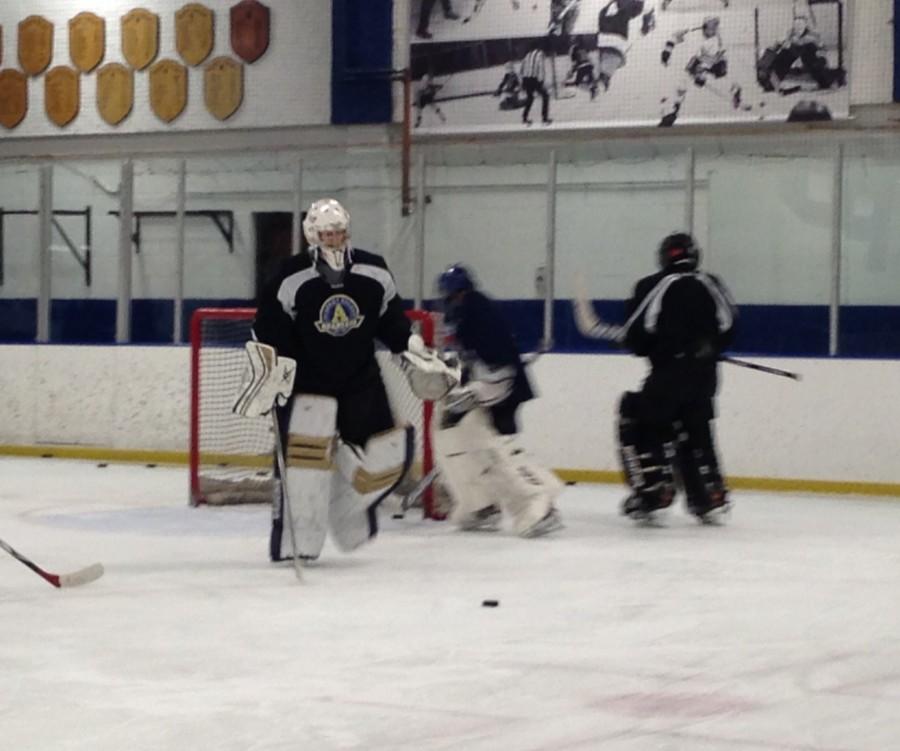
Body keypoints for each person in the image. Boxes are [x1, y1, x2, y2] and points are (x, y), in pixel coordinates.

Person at [249, 198, 443, 563]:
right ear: (312, 235)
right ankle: (298, 540)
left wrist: (412, 345)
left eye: (339, 233)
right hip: (308, 383)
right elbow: (267, 329)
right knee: (304, 465)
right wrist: (271, 371)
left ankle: (346, 508)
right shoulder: (290, 276)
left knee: (389, 456)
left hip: (360, 381)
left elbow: (392, 321)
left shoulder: (374, 271)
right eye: (327, 234)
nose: (335, 240)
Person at [573, 233, 738, 524]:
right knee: (695, 425)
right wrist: (710, 345)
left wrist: (641, 344)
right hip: (705, 377)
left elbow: (637, 334)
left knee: (635, 415)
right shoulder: (711, 283)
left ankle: (653, 489)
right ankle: (709, 492)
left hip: (668, 376)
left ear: (664, 258)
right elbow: (729, 325)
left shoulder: (654, 285)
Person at [433, 264, 563, 538]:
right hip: (496, 385)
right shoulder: (473, 308)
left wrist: (478, 390)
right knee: (459, 430)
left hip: (498, 385)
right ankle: (481, 502)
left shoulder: (473, 311)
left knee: (480, 440)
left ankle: (533, 500)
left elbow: (496, 360)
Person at [520, 43, 552, 126]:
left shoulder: (527, 54)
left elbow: (522, 68)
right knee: (545, 96)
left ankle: (524, 117)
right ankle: (544, 119)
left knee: (530, 98)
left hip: (526, 78)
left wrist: (522, 81)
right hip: (534, 79)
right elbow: (541, 67)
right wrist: (541, 80)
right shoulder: (540, 54)